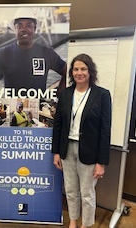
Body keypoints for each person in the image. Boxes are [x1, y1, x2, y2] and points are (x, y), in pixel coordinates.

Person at [52, 54, 112, 228]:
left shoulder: (102, 95)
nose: (79, 73)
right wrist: (56, 152)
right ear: (71, 72)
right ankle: (73, 221)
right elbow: (58, 125)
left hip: (90, 152)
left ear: (90, 71)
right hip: (67, 149)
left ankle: (86, 225)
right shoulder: (65, 94)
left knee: (87, 193)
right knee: (70, 190)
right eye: (76, 69)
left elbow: (105, 130)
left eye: (83, 69)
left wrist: (101, 162)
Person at [0, 7, 67, 97]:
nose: (24, 29)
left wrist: (59, 95)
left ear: (34, 29)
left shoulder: (46, 53)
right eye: (19, 26)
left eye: (28, 26)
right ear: (15, 29)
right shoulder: (4, 53)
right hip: (12, 108)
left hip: (38, 108)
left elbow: (65, 70)